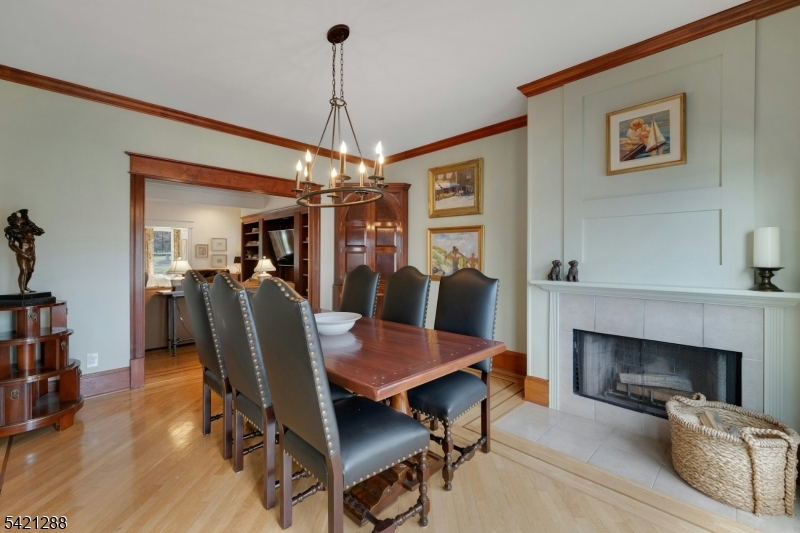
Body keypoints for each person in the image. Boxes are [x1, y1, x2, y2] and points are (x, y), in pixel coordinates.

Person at [4, 210, 44, 294]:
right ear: (16, 221)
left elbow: (40, 231)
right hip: (22, 252)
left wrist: (28, 219)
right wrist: (23, 254)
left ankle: (25, 285)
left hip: (32, 252)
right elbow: (11, 244)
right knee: (24, 270)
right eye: (20, 218)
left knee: (31, 270)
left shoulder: (29, 228)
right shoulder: (13, 231)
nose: (23, 218)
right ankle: (22, 291)